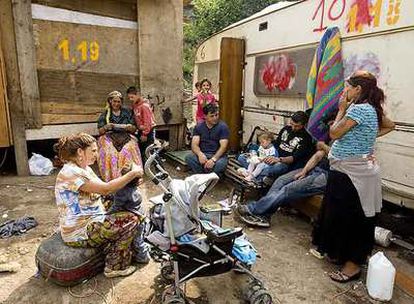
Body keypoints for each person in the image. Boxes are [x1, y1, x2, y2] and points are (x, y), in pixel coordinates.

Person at [312, 71, 395, 283]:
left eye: (347, 87)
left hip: (353, 175)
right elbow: (389, 125)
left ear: (357, 89)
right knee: (341, 217)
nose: (344, 91)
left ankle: (352, 266)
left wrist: (341, 110)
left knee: (352, 219)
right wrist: (365, 138)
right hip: (349, 172)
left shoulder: (358, 109)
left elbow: (334, 133)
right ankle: (341, 254)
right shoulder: (372, 110)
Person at [54, 133, 144, 278]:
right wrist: (132, 174)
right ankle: (115, 266)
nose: (97, 154)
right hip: (79, 231)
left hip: (90, 217)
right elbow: (106, 189)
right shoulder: (71, 173)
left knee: (115, 202)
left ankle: (116, 246)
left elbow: (105, 189)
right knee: (131, 219)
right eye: (94, 151)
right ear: (80, 152)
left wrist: (127, 180)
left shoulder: (83, 168)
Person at [237, 141, 330, 228]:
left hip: (327, 176)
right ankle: (265, 214)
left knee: (288, 189)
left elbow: (341, 158)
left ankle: (254, 209)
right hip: (314, 168)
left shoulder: (342, 142)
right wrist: (304, 171)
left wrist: (324, 147)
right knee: (281, 180)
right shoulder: (336, 139)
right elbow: (318, 155)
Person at [238, 111, 314, 183]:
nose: (293, 128)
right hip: (271, 157)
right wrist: (260, 154)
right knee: (242, 157)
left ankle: (252, 174)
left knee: (278, 168)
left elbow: (294, 158)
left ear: (304, 125)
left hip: (283, 163)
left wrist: (278, 159)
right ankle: (258, 176)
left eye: (297, 126)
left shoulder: (306, 138)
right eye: (292, 124)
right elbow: (276, 144)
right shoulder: (286, 129)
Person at [97, 91, 142, 182]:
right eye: (114, 101)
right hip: (109, 136)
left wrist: (129, 127)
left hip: (125, 135)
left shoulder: (127, 112)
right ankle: (111, 177)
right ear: (110, 101)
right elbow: (100, 131)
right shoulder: (105, 114)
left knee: (128, 149)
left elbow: (134, 128)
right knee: (109, 151)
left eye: (118, 102)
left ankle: (130, 177)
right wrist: (106, 127)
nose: (116, 104)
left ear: (121, 102)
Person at [185, 103, 229, 175]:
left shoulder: (223, 127)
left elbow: (223, 147)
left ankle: (208, 176)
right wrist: (200, 154)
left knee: (220, 164)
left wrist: (213, 160)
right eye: (212, 116)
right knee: (189, 158)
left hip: (218, 156)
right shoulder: (199, 127)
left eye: (216, 115)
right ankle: (203, 175)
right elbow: (194, 145)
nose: (215, 118)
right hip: (204, 154)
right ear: (205, 116)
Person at [127, 86, 156, 159]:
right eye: (129, 98)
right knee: (142, 151)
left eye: (132, 97)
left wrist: (144, 134)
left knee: (149, 151)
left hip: (148, 132)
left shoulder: (144, 106)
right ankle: (144, 168)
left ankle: (159, 168)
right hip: (141, 130)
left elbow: (147, 122)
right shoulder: (135, 105)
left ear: (138, 95)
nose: (130, 99)